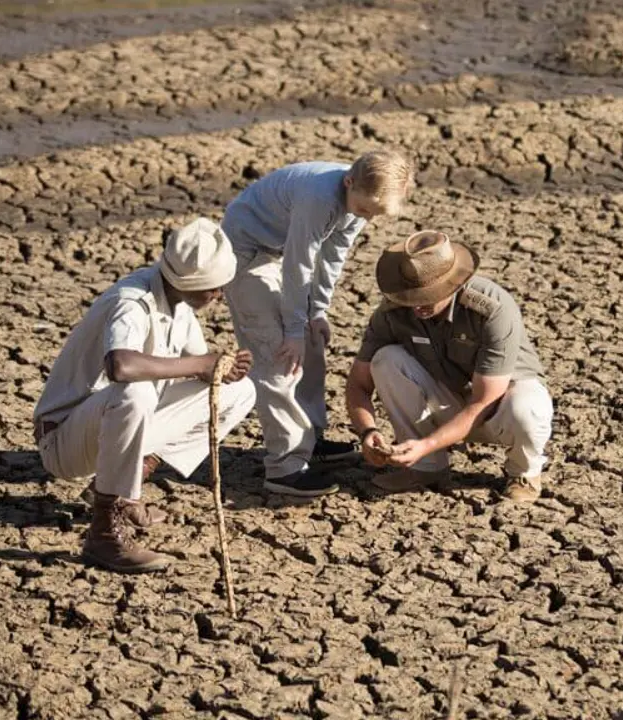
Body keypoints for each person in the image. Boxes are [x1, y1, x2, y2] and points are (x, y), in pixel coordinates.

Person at [33, 218, 256, 573]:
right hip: (66, 441)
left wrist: (222, 369)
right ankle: (103, 535)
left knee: (240, 392)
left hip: (115, 430)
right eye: (214, 288)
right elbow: (121, 366)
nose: (220, 296)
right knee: (134, 393)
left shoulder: (179, 304)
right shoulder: (132, 301)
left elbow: (201, 375)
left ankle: (123, 483)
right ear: (189, 283)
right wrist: (201, 363)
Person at [220, 150, 415, 498]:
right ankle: (285, 467)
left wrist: (317, 313)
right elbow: (300, 263)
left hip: (275, 250)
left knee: (311, 342)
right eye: (364, 210)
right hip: (245, 251)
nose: (366, 218)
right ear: (348, 182)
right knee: (279, 354)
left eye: (375, 214)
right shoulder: (319, 199)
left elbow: (332, 256)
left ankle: (310, 439)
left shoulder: (358, 203)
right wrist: (294, 330)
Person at [344, 230, 554, 503]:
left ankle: (524, 471)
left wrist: (427, 443)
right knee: (386, 360)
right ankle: (425, 467)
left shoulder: (491, 308)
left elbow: (483, 402)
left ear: (454, 284)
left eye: (428, 295)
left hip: (498, 409)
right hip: (448, 400)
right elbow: (358, 383)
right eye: (412, 296)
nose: (418, 305)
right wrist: (367, 431)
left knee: (528, 407)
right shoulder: (392, 312)